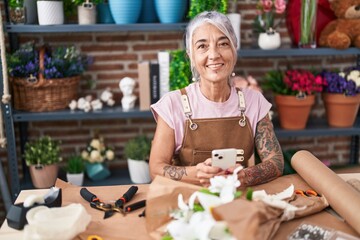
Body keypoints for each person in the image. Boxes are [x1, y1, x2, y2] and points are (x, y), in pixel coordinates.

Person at [149, 11, 284, 187]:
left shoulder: (254, 101)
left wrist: (243, 176)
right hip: (188, 206)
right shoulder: (172, 104)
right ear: (191, 55)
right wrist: (196, 173)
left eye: (223, 44)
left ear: (234, 49)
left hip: (236, 201)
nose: (213, 55)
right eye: (202, 46)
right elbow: (155, 169)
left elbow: (276, 162)